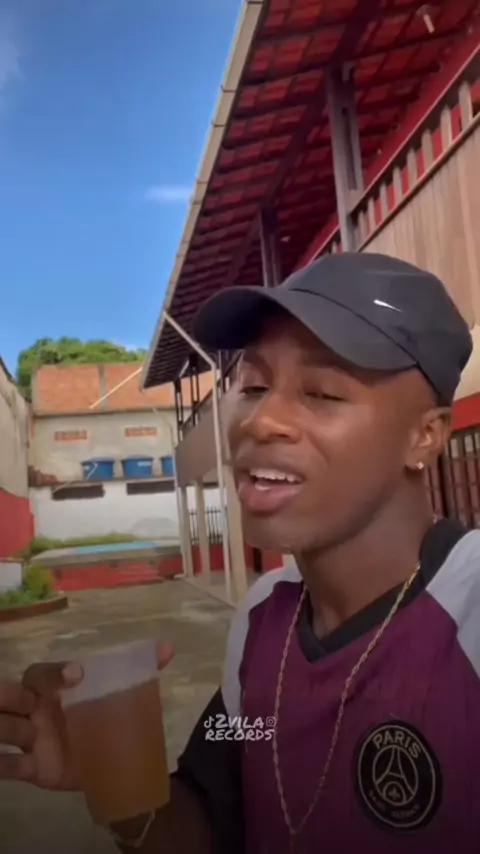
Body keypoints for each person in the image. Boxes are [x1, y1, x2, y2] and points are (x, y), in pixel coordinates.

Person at [1, 252, 479, 854]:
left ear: (425, 436)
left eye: (322, 392)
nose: (260, 420)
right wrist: (115, 779)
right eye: (252, 386)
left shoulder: (469, 614)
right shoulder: (261, 620)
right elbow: (212, 813)